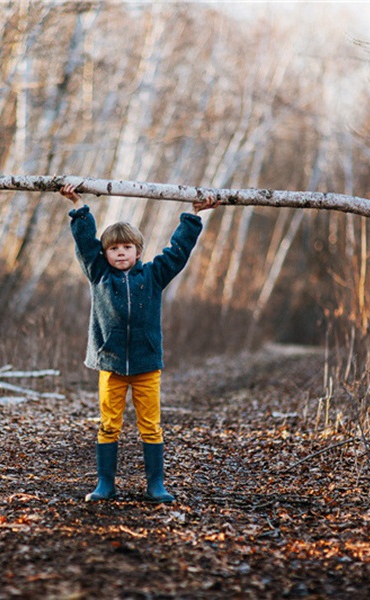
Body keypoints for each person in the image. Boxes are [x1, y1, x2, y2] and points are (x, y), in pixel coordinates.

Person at [60, 183, 219, 503]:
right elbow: (85, 244)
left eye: (126, 248)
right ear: (105, 254)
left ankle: (155, 485)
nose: (120, 253)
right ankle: (105, 485)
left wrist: (192, 215)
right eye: (114, 249)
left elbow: (178, 252)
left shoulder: (154, 275)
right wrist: (78, 205)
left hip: (147, 364)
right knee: (108, 425)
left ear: (138, 251)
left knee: (150, 425)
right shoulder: (99, 274)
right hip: (111, 363)